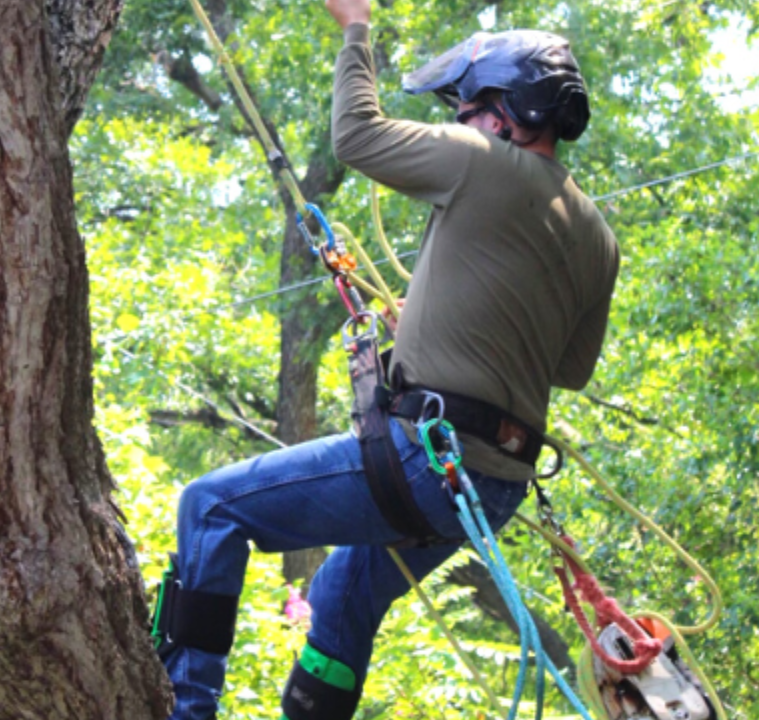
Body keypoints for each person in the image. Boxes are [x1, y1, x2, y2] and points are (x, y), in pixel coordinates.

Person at [151, 0, 620, 717]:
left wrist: (356, 30)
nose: (457, 122)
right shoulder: (596, 236)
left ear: (504, 113)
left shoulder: (482, 162)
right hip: (491, 491)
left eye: (465, 107)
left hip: (427, 462)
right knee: (341, 593)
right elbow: (569, 368)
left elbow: (356, 136)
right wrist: (448, 331)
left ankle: (185, 709)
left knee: (209, 508)